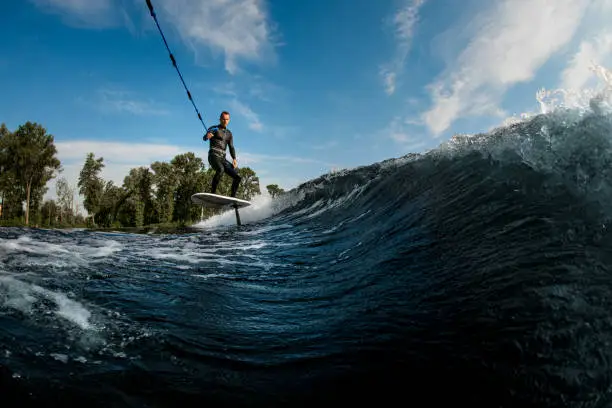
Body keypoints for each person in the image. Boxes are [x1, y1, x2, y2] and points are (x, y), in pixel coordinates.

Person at [204, 111, 242, 197]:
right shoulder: (214, 128)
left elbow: (231, 147)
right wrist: (207, 136)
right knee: (220, 170)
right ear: (220, 119)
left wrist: (234, 159)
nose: (225, 121)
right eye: (223, 119)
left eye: (227, 119)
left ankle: (233, 197)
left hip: (222, 158)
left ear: (229, 120)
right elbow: (205, 137)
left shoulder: (229, 133)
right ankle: (212, 193)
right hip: (213, 155)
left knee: (238, 177)